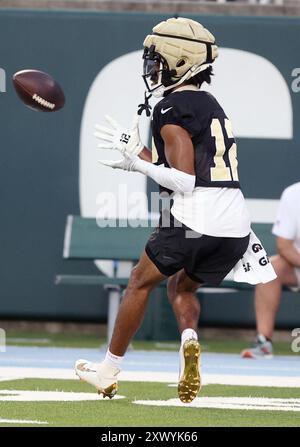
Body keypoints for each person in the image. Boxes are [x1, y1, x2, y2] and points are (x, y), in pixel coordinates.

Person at [75, 17, 251, 404]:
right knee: (181, 285)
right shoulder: (210, 105)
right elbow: (184, 165)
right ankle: (189, 338)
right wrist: (136, 150)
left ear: (179, 62)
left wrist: (136, 164)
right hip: (234, 221)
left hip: (194, 214)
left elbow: (185, 180)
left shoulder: (171, 107)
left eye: (158, 59)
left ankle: (107, 371)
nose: (151, 67)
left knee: (139, 280)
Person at [241, 182, 300, 359]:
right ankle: (263, 341)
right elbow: (284, 246)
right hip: (298, 266)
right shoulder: (293, 193)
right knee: (270, 268)